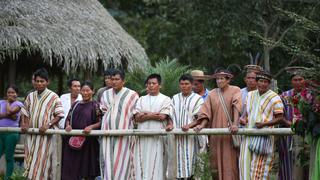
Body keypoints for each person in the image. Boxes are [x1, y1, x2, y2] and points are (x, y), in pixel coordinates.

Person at [191, 69, 241, 180]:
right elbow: (206, 112)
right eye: (217, 78)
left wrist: (235, 124)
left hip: (229, 132)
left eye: (222, 78)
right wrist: (202, 125)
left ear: (228, 80)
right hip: (215, 133)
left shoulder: (235, 90)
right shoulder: (212, 93)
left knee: (230, 162)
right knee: (215, 163)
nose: (219, 81)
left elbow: (236, 107)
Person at [20, 68, 64, 180]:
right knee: (30, 161)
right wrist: (24, 124)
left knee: (43, 164)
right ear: (33, 81)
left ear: (47, 82)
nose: (39, 83)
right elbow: (25, 112)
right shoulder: (30, 96)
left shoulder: (54, 97)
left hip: (46, 137)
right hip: (32, 135)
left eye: (42, 81)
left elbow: (59, 115)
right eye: (37, 81)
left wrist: (48, 124)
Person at [239, 71, 284, 180]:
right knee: (244, 166)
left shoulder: (274, 97)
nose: (262, 84)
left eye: (265, 82)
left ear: (269, 84)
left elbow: (280, 117)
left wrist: (264, 124)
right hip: (248, 134)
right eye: (260, 81)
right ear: (256, 82)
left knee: (259, 170)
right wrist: (242, 118)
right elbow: (246, 112)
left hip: (264, 136)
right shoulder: (250, 95)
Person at [100, 69, 139, 180]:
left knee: (123, 162)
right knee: (107, 161)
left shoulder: (132, 95)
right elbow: (103, 111)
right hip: (107, 134)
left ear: (123, 81)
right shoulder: (105, 94)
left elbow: (136, 114)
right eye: (112, 79)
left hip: (124, 135)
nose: (114, 82)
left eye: (117, 79)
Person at [133, 74, 172, 180]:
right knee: (141, 163)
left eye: (153, 83)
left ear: (160, 85)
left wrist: (145, 113)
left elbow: (162, 117)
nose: (151, 85)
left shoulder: (166, 99)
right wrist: (154, 115)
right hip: (142, 137)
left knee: (158, 164)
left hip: (158, 137)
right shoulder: (141, 99)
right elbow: (136, 118)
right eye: (149, 83)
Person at [61, 81, 102, 180]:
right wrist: (68, 126)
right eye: (83, 90)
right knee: (71, 169)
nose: (85, 93)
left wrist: (91, 127)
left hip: (88, 144)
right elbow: (68, 118)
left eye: (88, 90)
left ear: (93, 91)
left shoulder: (96, 105)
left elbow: (101, 122)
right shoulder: (75, 104)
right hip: (72, 142)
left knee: (87, 170)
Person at [170, 74, 204, 179]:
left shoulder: (198, 99)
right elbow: (170, 114)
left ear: (192, 85)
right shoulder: (175, 98)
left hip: (191, 136)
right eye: (182, 84)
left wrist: (189, 126)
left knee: (192, 161)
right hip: (177, 136)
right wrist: (171, 124)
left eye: (186, 84)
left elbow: (200, 116)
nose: (184, 86)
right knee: (177, 162)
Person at [279, 69, 308, 180]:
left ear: (305, 80)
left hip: (308, 135)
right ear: (291, 82)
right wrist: (289, 124)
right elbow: (279, 115)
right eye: (295, 80)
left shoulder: (310, 95)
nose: (298, 82)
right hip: (289, 135)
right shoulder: (284, 96)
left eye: (300, 79)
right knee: (289, 161)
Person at [239, 65, 262, 180]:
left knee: (257, 161)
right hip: (242, 131)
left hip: (259, 130)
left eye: (253, 78)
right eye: (248, 78)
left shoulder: (263, 93)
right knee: (243, 160)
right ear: (245, 79)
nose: (251, 80)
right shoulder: (239, 93)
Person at [0, 85, 23, 179]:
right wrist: (10, 116)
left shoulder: (19, 104)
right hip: (1, 132)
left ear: (17, 94)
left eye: (13, 92)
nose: (10, 94)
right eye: (9, 92)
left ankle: (7, 178)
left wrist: (8, 103)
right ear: (6, 93)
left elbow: (10, 112)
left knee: (9, 157)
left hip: (12, 133)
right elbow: (11, 115)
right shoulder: (0, 102)